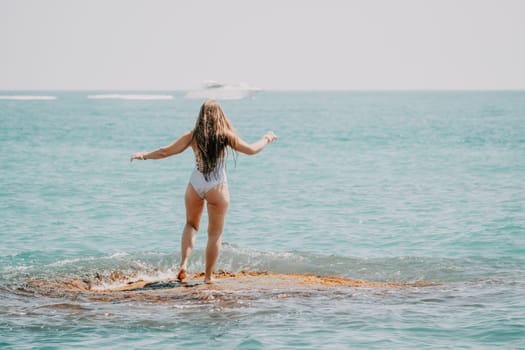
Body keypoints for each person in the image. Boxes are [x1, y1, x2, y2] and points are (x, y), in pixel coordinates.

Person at [130, 100, 277, 284]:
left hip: (196, 183)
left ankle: (184, 264)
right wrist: (267, 138)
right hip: (218, 187)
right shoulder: (226, 136)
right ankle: (207, 277)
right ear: (220, 115)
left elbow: (166, 152)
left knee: (191, 225)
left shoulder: (193, 136)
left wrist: (143, 155)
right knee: (214, 234)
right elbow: (251, 150)